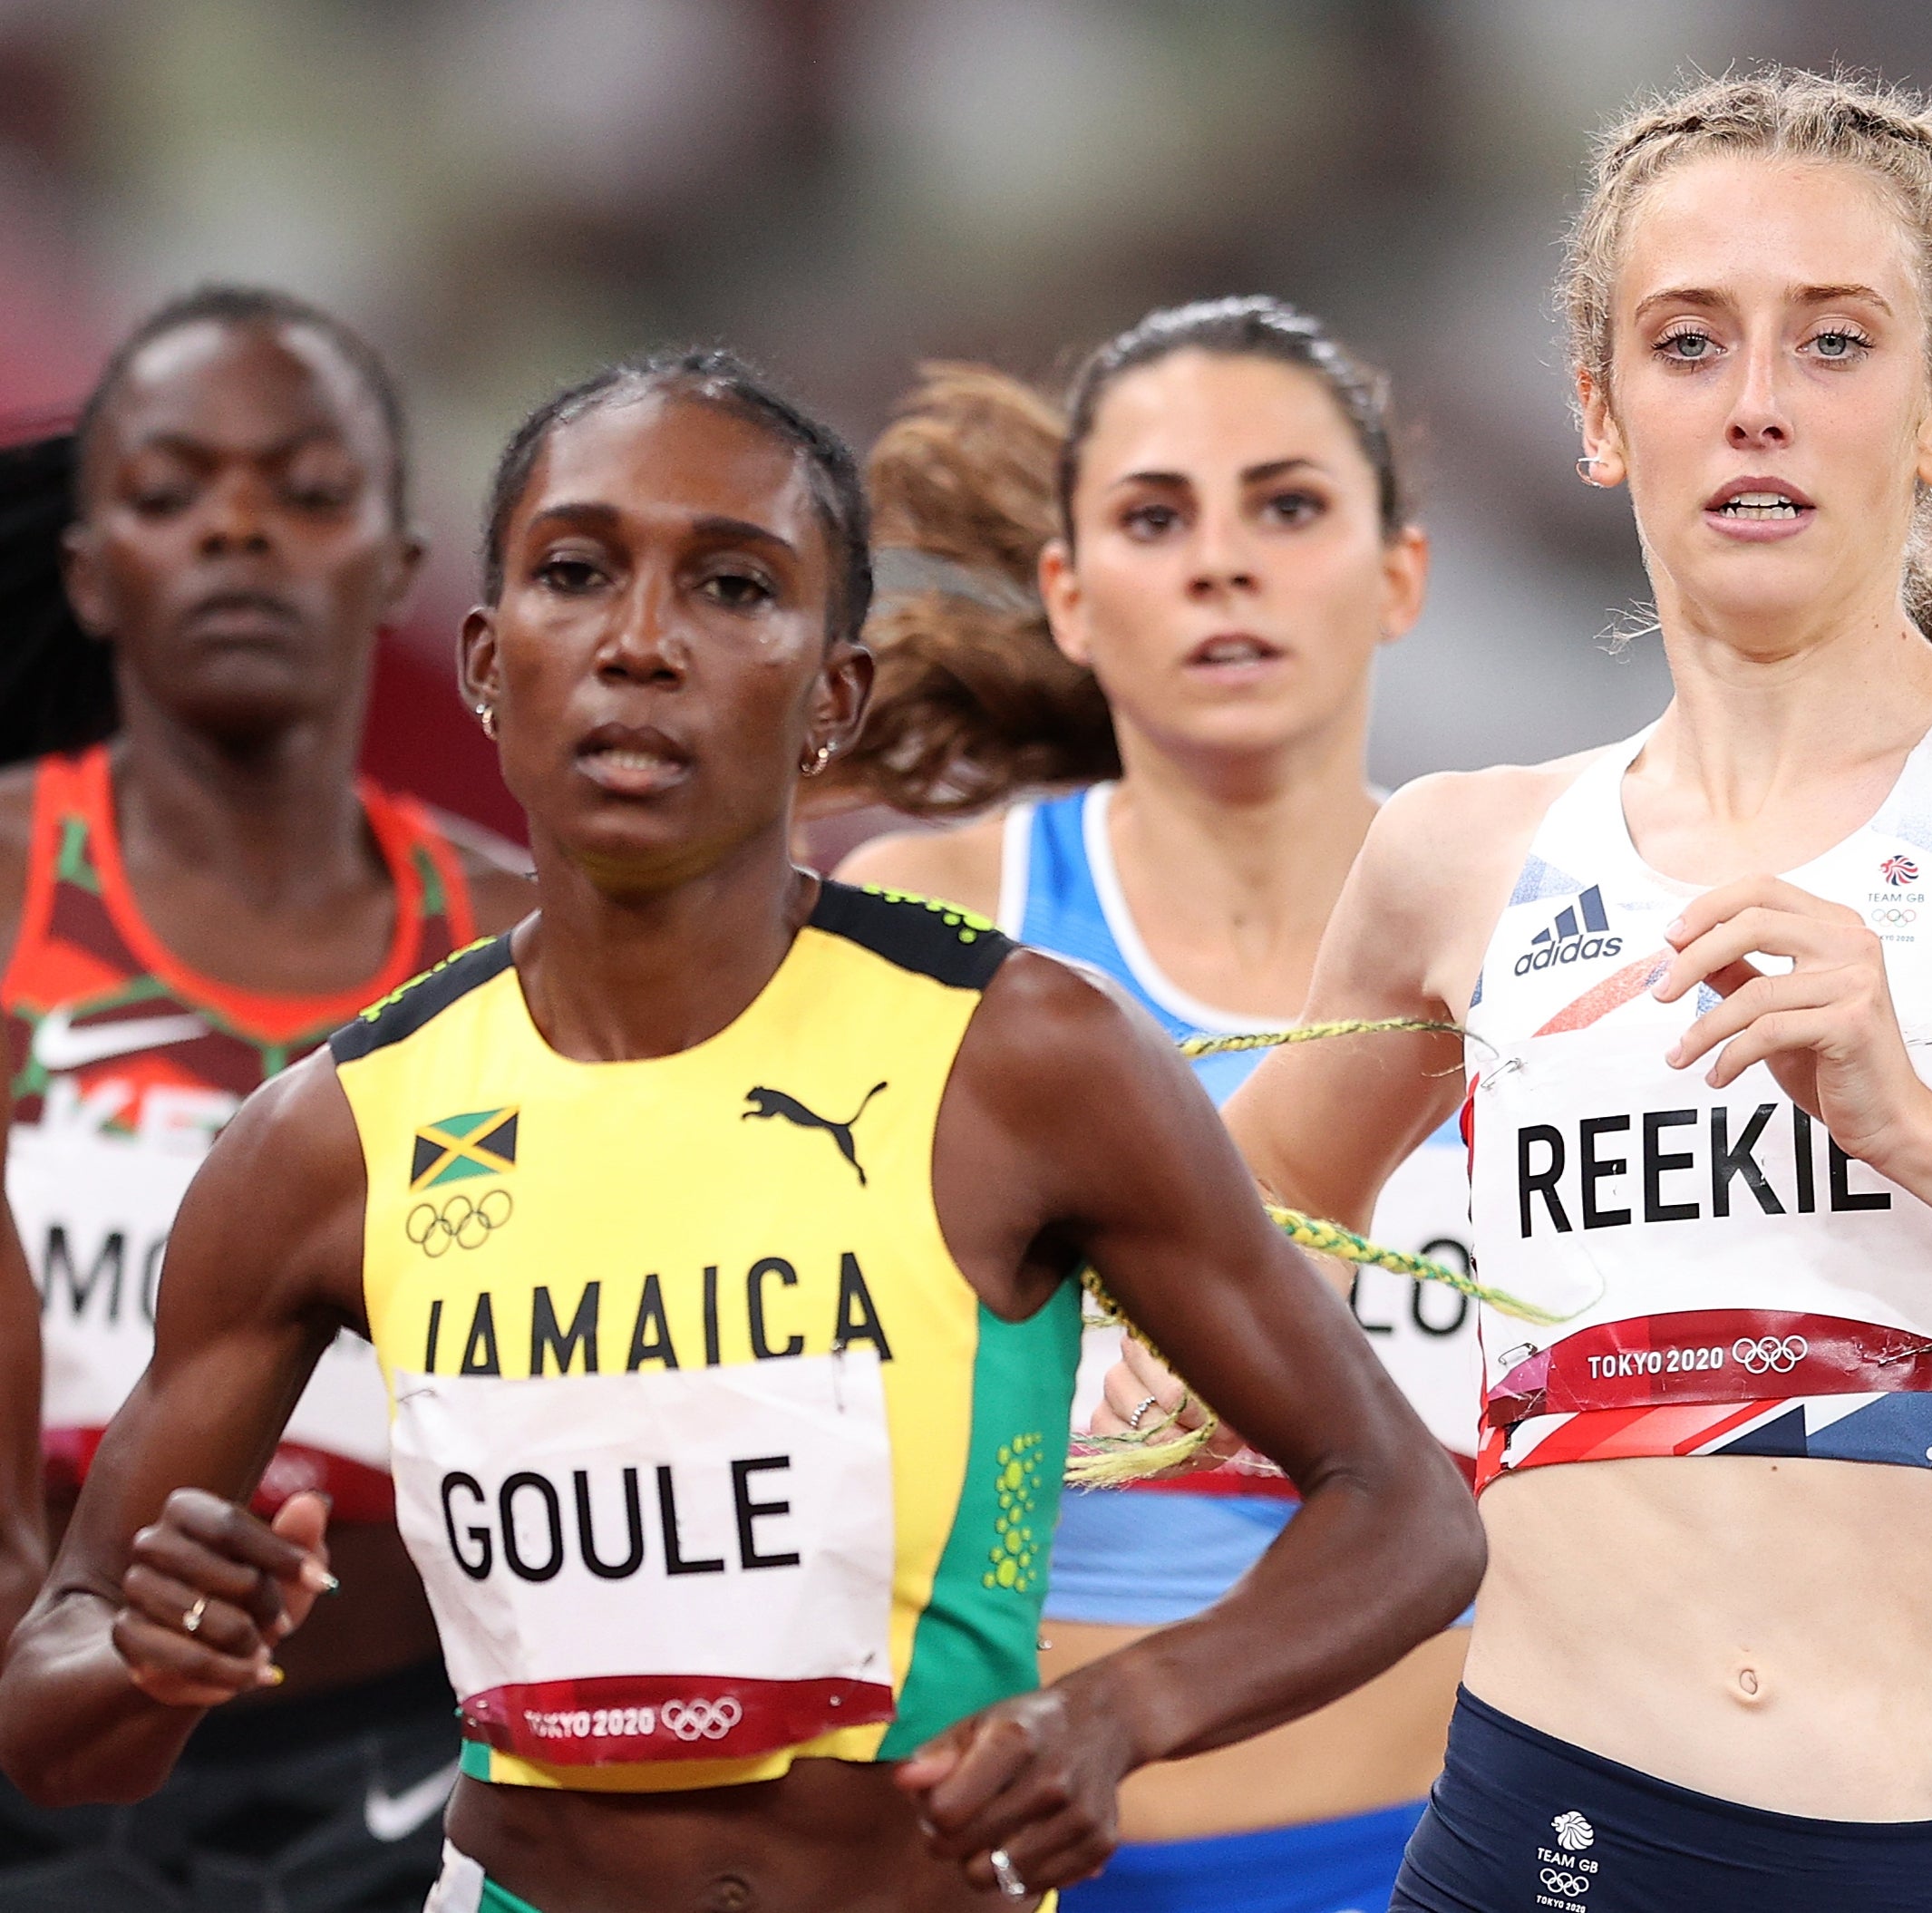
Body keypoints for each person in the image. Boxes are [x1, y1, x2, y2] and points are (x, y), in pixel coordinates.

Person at [1096, 67, 1932, 1912]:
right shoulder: (1464, 855)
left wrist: (1914, 1125)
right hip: (1536, 1836)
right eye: (1687, 341)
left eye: (1832, 342)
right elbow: (1206, 1287)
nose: (1753, 407)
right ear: (1596, 406)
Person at [0, 346, 1484, 1913]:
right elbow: (51, 1716)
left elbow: (1405, 1509)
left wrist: (1120, 1708)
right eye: (579, 573)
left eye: (730, 586)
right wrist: (155, 1661)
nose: (642, 643)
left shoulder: (1022, 1059)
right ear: (491, 664)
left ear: (830, 698)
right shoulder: (332, 1134)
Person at [834, 298, 1472, 1912]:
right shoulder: (933, 921)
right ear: (1068, 592)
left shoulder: (1527, 920)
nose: (1222, 563)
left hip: (1437, 1847)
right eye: (1153, 517)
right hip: (1030, 1857)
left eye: (1289, 506)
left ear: (1400, 573)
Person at [0, 285, 532, 1911]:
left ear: (396, 563)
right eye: (173, 494)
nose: (239, 534)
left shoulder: (532, 952)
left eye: (305, 492)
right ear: (91, 565)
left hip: (422, 1769)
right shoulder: (6, 889)